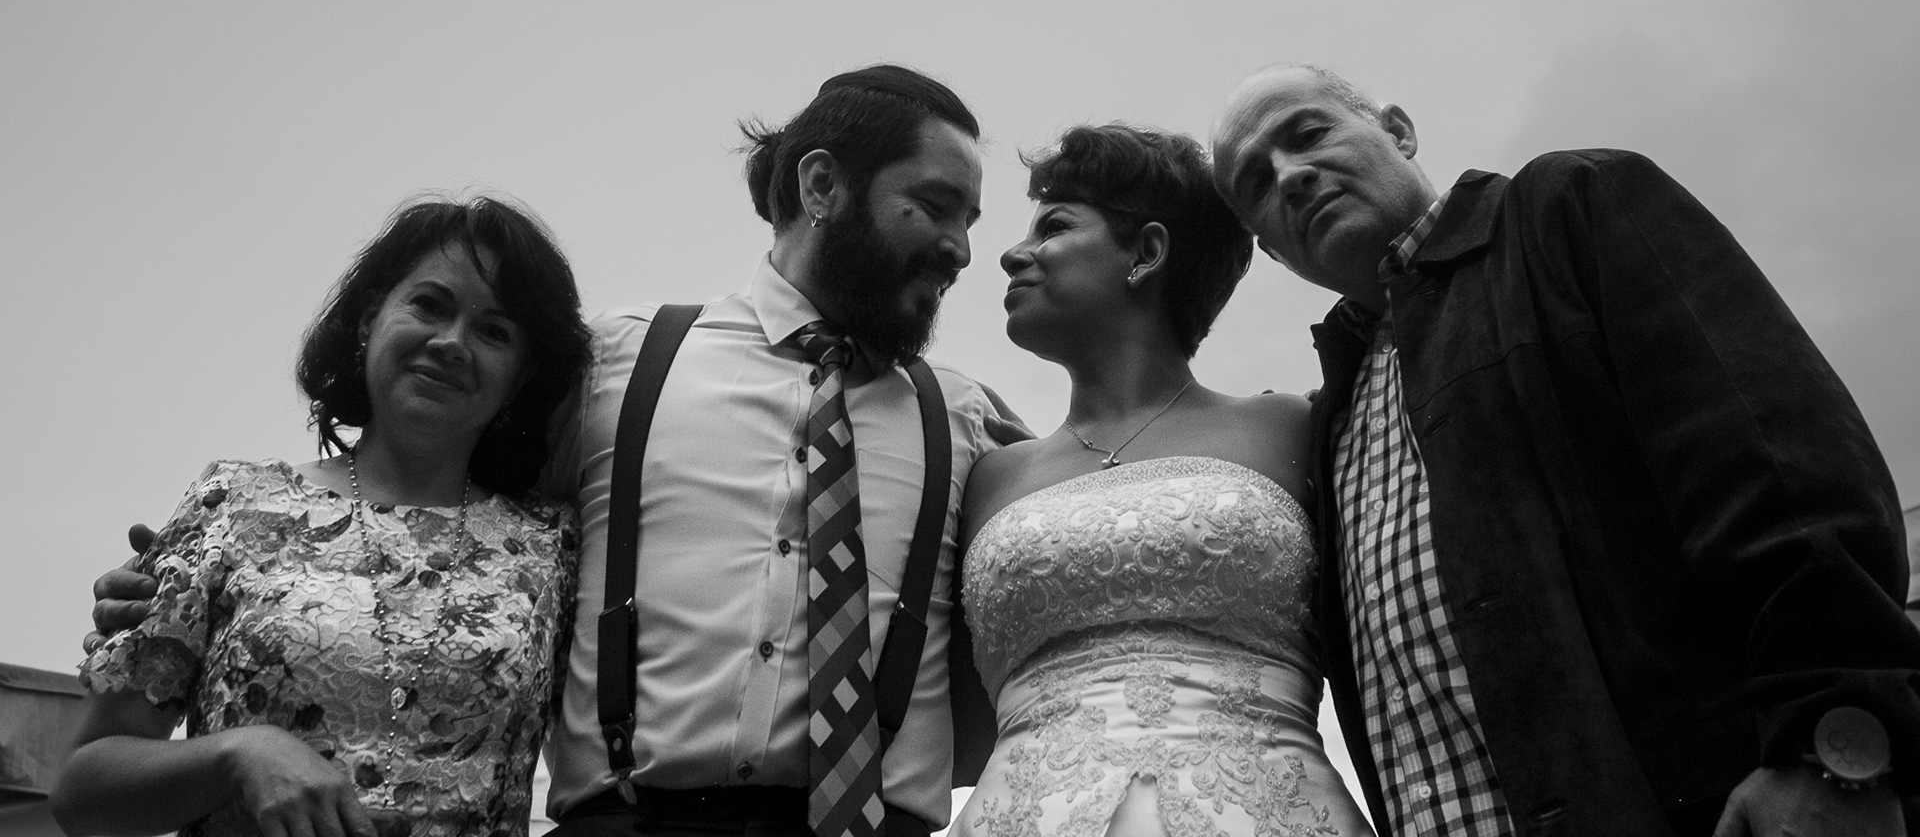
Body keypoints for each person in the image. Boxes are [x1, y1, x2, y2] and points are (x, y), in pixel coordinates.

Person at [87, 66, 1024, 837]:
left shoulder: (970, 421)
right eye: (934, 206)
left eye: (971, 223)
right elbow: (424, 494)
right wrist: (194, 588)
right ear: (821, 187)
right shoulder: (616, 362)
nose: (960, 249)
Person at [1208, 63, 1920, 837]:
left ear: (1399, 131)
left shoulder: (1567, 210)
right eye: (1257, 182)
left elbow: (1781, 470)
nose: (1291, 175)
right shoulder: (1330, 421)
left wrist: (1830, 741)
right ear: (1273, 253)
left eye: (1308, 134)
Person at [55, 196, 593, 837]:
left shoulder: (554, 547)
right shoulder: (233, 506)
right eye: (430, 305)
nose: (452, 342)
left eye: (494, 331)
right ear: (370, 320)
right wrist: (240, 755)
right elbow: (83, 793)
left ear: (520, 378)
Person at [955, 124, 1374, 836]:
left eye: (1054, 227)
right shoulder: (988, 476)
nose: (1011, 254)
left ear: (1146, 252)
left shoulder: (1292, 429)